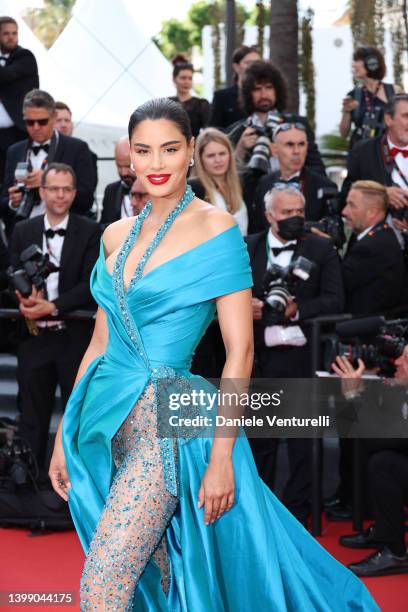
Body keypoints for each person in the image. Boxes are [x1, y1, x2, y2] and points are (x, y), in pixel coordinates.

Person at [49, 98, 378, 610]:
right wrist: (63, 434)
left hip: (171, 427)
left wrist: (222, 455)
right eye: (144, 151)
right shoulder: (115, 234)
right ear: (129, 159)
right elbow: (99, 341)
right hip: (103, 420)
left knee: (101, 588)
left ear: (191, 154)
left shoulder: (217, 228)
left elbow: (239, 353)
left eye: (170, 149)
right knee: (153, 588)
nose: (156, 164)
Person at [246, 184, 344, 525]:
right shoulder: (248, 246)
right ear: (269, 214)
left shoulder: (321, 247)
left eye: (299, 212)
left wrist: (296, 309)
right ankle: (259, 515)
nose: (295, 219)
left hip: (302, 357)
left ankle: (298, 516)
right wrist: (246, 307)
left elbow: (335, 299)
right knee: (262, 443)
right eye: (287, 213)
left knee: (303, 443)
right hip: (260, 360)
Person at [9, 162, 100, 472]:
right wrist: (23, 299)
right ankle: (29, 489)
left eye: (66, 189)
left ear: (74, 194)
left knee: (78, 415)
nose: (60, 195)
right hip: (33, 338)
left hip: (73, 339)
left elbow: (91, 283)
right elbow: (11, 275)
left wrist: (54, 306)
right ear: (42, 191)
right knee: (32, 416)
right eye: (54, 189)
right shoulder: (22, 230)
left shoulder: (90, 230)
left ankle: (76, 490)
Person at [332, 351, 408, 577]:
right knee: (369, 448)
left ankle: (396, 553)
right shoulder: (399, 388)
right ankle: (385, 530)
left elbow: (380, 436)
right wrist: (356, 394)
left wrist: (355, 396)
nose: (396, 362)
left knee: (384, 463)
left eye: (405, 359)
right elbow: (358, 429)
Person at [0, 89, 97, 235]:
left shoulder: (77, 148)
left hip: (65, 236)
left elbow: (86, 199)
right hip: (22, 235)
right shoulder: (14, 151)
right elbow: (4, 199)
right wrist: (12, 202)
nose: (36, 127)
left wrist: (48, 182)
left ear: (54, 117)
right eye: (30, 122)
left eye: (42, 121)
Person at [227, 60, 325, 177]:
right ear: (248, 93)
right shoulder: (237, 132)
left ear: (277, 90)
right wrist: (240, 150)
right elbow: (228, 180)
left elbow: (317, 169)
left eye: (269, 88)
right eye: (257, 89)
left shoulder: (297, 124)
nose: (264, 95)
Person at [340, 93, 408, 236]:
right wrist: (381, 195)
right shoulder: (364, 151)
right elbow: (345, 195)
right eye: (406, 116)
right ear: (389, 119)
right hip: (373, 244)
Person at [252, 123, 338, 233]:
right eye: (289, 144)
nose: (296, 151)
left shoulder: (325, 186)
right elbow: (256, 229)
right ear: (274, 150)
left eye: (301, 144)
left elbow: (337, 234)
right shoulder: (263, 183)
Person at [341, 180, 404, 316]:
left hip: (364, 330)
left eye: (352, 205)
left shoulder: (372, 246)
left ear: (371, 212)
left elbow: (337, 283)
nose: (344, 211)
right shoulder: (381, 235)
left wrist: (324, 248)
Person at [0, 16, 39, 183]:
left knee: (16, 178)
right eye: (6, 33)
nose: (11, 37)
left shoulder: (25, 57)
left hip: (17, 132)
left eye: (14, 33)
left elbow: (6, 75)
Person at [189, 127, 248, 235]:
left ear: (230, 155)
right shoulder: (193, 189)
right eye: (211, 156)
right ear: (200, 159)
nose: (218, 160)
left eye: (222, 154)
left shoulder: (242, 183)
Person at [340, 47, 401, 150]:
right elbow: (343, 134)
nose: (353, 65)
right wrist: (346, 112)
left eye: (357, 60)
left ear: (372, 62)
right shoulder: (353, 95)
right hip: (360, 154)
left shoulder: (394, 91)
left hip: (387, 153)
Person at [209, 44, 260, 130]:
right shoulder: (222, 97)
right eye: (248, 63)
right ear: (236, 67)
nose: (254, 67)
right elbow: (214, 132)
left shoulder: (266, 96)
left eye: (258, 63)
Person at [169, 54, 210, 138]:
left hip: (195, 148)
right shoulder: (166, 104)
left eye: (190, 78)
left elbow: (208, 132)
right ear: (174, 79)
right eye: (183, 78)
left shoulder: (201, 104)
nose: (187, 82)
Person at [100, 136, 137, 224]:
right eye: (119, 166)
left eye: (129, 166)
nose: (123, 173)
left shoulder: (157, 192)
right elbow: (104, 227)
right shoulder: (111, 191)